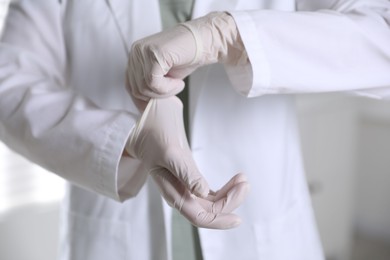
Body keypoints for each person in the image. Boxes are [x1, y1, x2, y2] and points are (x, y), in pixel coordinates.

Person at [0, 0, 389, 260]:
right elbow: (9, 84)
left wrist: (229, 36)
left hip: (263, 233)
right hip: (116, 238)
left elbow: (381, 30)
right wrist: (124, 139)